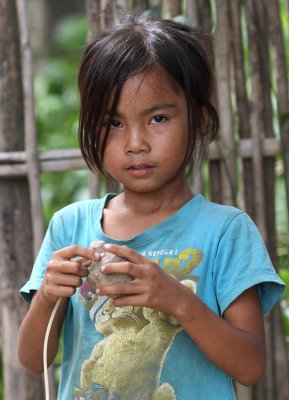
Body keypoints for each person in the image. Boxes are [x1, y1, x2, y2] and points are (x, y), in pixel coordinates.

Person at [18, 15, 285, 400]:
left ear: (199, 120)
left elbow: (250, 366)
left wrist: (177, 300)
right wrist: (47, 296)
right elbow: (32, 361)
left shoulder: (226, 230)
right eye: (113, 123)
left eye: (158, 118)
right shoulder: (70, 225)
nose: (136, 143)